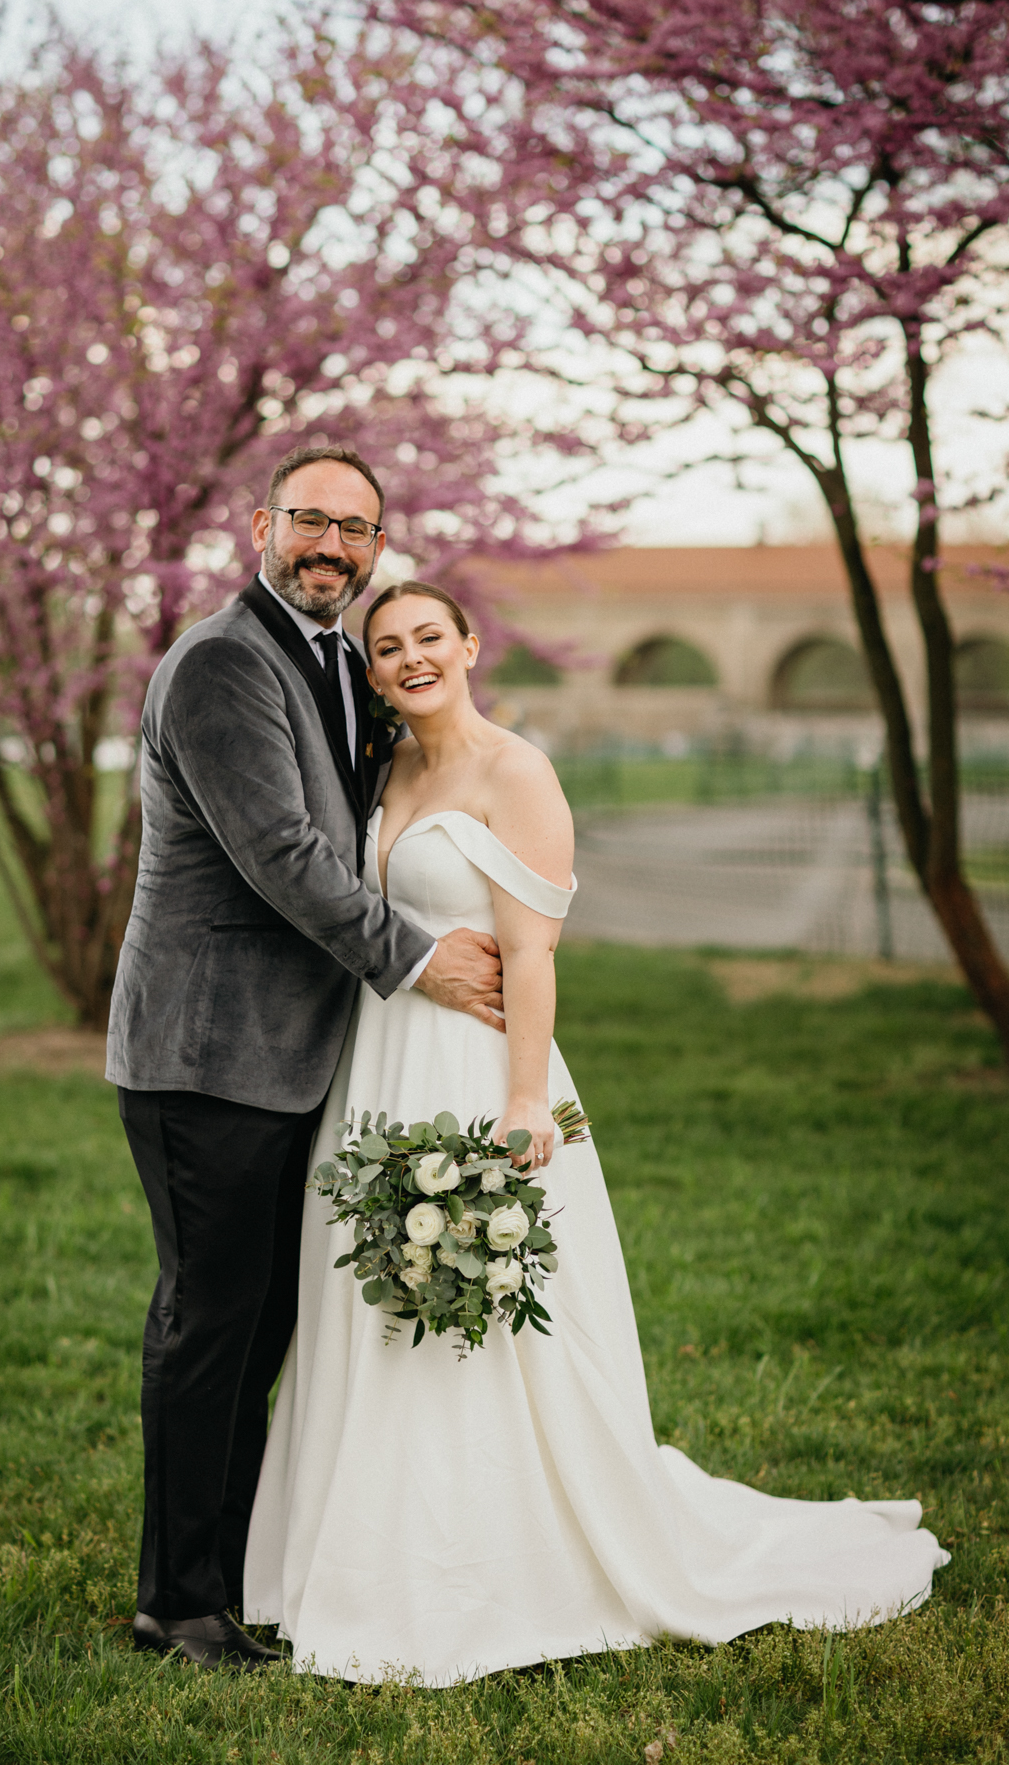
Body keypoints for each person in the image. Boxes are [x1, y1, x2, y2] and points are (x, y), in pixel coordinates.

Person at [244, 579, 950, 1685]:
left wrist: (525, 1102)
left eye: (431, 636)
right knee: (368, 1300)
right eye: (387, 648)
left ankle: (497, 1561)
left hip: (477, 1069)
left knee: (491, 1309)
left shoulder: (515, 770)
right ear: (371, 672)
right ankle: (356, 1555)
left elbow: (531, 953)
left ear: (470, 646)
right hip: (377, 1068)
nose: (411, 658)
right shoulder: (387, 772)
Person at [106, 447, 504, 1671]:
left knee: (262, 1318)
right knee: (211, 1320)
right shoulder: (226, 661)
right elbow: (280, 852)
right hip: (206, 1051)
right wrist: (418, 958)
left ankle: (225, 1578)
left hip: (285, 1057)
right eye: (312, 522)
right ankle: (175, 1604)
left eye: (358, 529)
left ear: (379, 549)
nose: (333, 545)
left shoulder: (335, 658)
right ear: (260, 524)